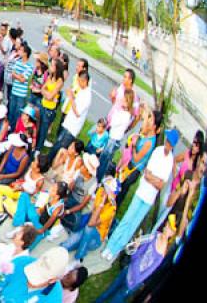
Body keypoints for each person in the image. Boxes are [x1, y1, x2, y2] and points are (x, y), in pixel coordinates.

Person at [102, 129, 177, 261]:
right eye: (167, 140)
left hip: (149, 199)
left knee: (133, 225)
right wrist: (155, 179)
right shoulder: (157, 151)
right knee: (127, 219)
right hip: (142, 191)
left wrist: (154, 179)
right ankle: (109, 245)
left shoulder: (170, 161)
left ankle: (115, 250)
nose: (166, 143)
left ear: (172, 144)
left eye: (169, 142)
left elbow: (161, 185)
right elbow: (147, 174)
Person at [96, 218, 176, 303]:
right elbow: (138, 248)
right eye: (167, 224)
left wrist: (134, 281)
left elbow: (147, 273)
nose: (165, 227)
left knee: (116, 300)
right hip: (129, 269)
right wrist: (135, 250)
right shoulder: (155, 236)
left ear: (172, 233)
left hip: (133, 282)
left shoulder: (161, 255)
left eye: (169, 227)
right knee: (109, 291)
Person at [62, 175, 118, 264]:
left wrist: (101, 205)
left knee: (88, 229)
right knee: (66, 245)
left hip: (96, 238)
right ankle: (80, 249)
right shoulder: (100, 191)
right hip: (86, 230)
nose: (104, 191)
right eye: (105, 188)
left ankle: (78, 258)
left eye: (108, 190)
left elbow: (91, 224)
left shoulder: (111, 209)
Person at [114, 108, 160, 206]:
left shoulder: (149, 142)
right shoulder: (146, 133)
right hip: (128, 164)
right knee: (116, 186)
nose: (148, 121)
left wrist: (134, 146)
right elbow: (143, 121)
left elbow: (136, 158)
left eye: (151, 120)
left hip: (134, 170)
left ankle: (112, 212)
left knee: (121, 192)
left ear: (155, 126)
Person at [8, 180, 69, 250]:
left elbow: (50, 221)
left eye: (53, 189)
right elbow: (46, 207)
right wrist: (39, 210)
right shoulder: (55, 198)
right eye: (53, 186)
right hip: (38, 217)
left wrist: (41, 230)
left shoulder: (57, 208)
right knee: (24, 195)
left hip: (41, 226)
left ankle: (22, 228)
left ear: (57, 196)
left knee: (27, 246)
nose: (51, 188)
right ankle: (20, 224)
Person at [0, 154, 50, 226]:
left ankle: (6, 202)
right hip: (18, 190)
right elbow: (24, 180)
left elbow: (33, 197)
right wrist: (18, 183)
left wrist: (22, 189)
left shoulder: (40, 181)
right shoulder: (30, 169)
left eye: (35, 162)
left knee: (15, 210)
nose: (32, 162)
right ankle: (0, 213)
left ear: (38, 169)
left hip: (24, 197)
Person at [0, 247, 70, 303]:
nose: (29, 281)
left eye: (38, 278)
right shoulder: (19, 262)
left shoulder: (54, 299)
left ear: (53, 280)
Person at [48, 70, 90, 162]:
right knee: (57, 144)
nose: (78, 83)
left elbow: (78, 112)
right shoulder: (82, 91)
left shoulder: (87, 95)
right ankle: (48, 161)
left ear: (85, 81)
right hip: (68, 123)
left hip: (72, 128)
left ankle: (50, 163)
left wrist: (71, 97)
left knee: (60, 148)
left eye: (79, 81)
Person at [97, 89, 135, 180]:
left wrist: (116, 113)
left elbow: (113, 122)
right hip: (112, 137)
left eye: (124, 99)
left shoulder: (125, 115)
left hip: (113, 139)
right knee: (103, 159)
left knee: (103, 161)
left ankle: (97, 179)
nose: (121, 100)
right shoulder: (123, 113)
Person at [61, 153, 99, 233]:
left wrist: (68, 211)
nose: (81, 165)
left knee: (75, 222)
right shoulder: (78, 173)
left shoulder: (93, 183)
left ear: (88, 171)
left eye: (84, 165)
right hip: (71, 197)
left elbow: (82, 205)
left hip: (79, 204)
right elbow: (69, 190)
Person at [37, 57, 65, 152]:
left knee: (43, 131)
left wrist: (47, 93)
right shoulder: (50, 76)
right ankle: (35, 146)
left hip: (49, 109)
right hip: (43, 105)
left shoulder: (59, 81)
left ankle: (38, 149)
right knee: (38, 127)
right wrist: (47, 93)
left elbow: (50, 96)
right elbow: (42, 89)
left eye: (52, 65)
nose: (50, 66)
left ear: (57, 68)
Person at [8, 44, 33, 125]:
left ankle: (15, 129)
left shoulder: (30, 66)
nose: (19, 51)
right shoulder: (17, 62)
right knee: (11, 111)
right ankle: (9, 128)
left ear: (25, 53)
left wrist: (16, 75)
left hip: (21, 94)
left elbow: (23, 79)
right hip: (14, 90)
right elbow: (12, 74)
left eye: (21, 50)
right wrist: (19, 75)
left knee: (18, 113)